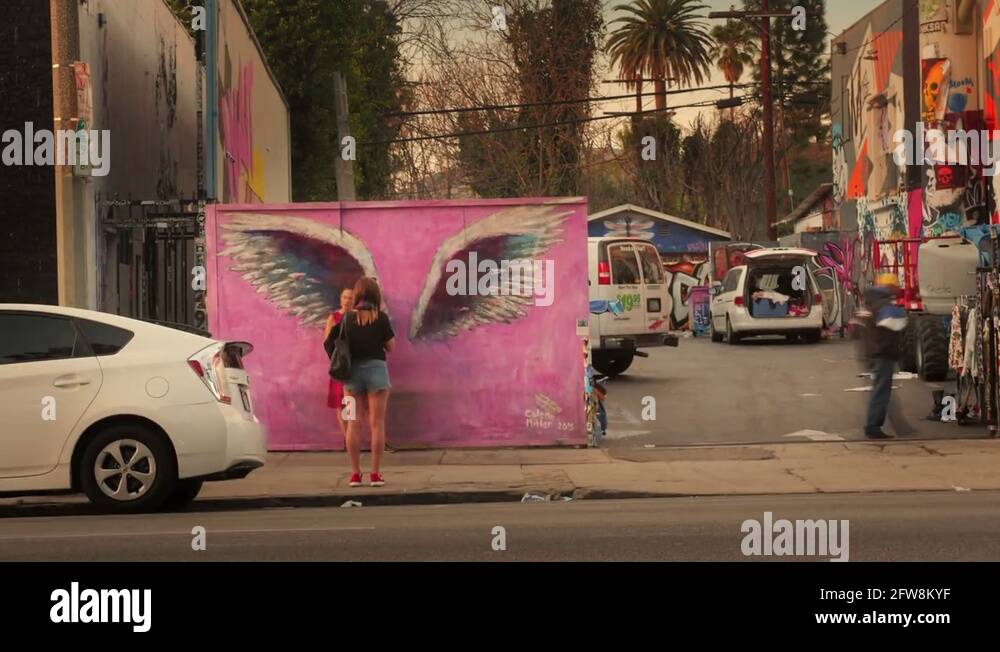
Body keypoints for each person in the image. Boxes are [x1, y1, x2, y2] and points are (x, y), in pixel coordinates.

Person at [327, 276, 395, 487]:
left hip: (351, 376)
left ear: (356, 295)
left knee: (352, 424)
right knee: (377, 424)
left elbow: (330, 342)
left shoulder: (346, 319)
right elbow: (391, 347)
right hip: (377, 373)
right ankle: (375, 474)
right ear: (375, 295)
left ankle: (355, 474)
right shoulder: (381, 318)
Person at [862, 273, 911, 439]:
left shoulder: (872, 303)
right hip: (884, 353)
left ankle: (874, 424)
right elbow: (896, 324)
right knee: (881, 391)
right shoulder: (885, 305)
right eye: (896, 287)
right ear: (890, 287)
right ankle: (873, 426)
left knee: (880, 389)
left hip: (875, 353)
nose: (898, 290)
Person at [323, 287, 354, 439]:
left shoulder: (356, 317)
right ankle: (346, 437)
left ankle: (351, 436)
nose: (347, 300)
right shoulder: (333, 317)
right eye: (345, 297)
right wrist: (336, 358)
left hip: (353, 366)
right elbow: (326, 342)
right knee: (339, 403)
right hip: (339, 365)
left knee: (351, 403)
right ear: (341, 299)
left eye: (350, 298)